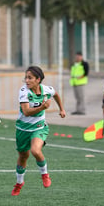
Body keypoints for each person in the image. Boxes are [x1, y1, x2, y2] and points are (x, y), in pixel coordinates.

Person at [12, 66, 66, 196]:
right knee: (23, 156)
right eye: (26, 77)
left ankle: (45, 174)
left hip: (39, 127)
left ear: (38, 79)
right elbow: (26, 111)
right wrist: (43, 107)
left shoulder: (47, 90)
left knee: (35, 150)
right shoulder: (24, 91)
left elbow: (56, 94)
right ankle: (19, 183)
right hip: (23, 129)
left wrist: (62, 109)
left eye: (30, 78)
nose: (27, 80)